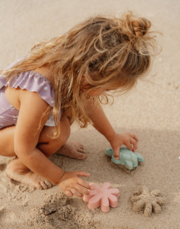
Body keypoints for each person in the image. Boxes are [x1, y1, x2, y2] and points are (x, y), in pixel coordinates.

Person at [0, 11, 157, 198]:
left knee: (75, 104)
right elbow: (23, 149)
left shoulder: (70, 67)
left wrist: (113, 136)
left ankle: (50, 145)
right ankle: (18, 168)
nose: (106, 94)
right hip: (5, 133)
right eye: (106, 89)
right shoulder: (37, 94)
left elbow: (89, 103)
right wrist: (62, 177)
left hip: (24, 122)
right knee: (59, 132)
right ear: (86, 76)